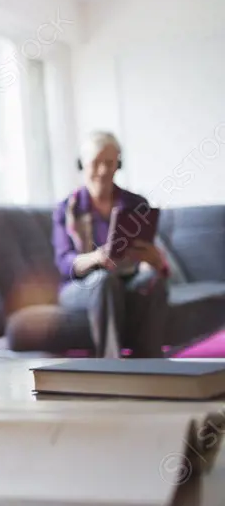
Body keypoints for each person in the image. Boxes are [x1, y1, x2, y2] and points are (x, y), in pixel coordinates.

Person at [52, 130, 168, 358]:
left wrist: (153, 260)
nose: (103, 170)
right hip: (80, 285)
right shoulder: (67, 209)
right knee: (104, 280)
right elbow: (64, 263)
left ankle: (151, 365)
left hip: (126, 278)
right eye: (96, 163)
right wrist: (96, 258)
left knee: (152, 280)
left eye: (110, 163)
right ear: (82, 165)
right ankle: (112, 367)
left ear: (118, 165)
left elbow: (146, 259)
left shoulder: (136, 203)